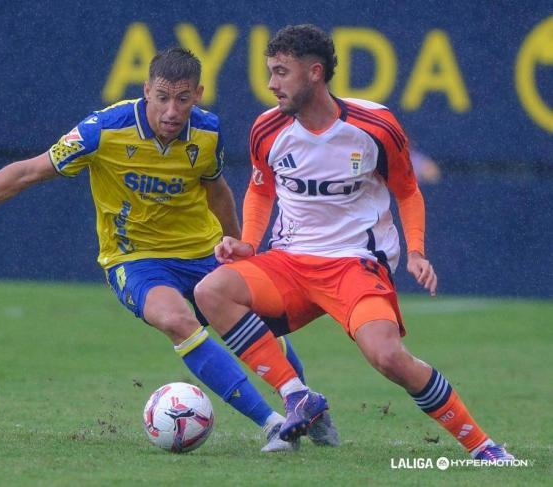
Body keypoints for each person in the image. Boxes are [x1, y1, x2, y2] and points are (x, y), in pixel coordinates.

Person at [0, 47, 338, 452]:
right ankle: (273, 425)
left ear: (198, 95)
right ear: (145, 90)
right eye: (162, 97)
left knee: (258, 325)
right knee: (175, 319)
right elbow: (26, 172)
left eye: (183, 99)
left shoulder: (207, 132)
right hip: (135, 258)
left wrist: (241, 246)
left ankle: (304, 404)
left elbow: (217, 188)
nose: (171, 110)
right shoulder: (102, 130)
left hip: (202, 251)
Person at [194, 25, 514, 461]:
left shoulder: (375, 125)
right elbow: (261, 188)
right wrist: (249, 243)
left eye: (281, 72)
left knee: (388, 357)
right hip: (288, 263)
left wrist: (416, 251)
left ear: (315, 73)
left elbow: (407, 190)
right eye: (270, 71)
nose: (271, 84)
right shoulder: (266, 128)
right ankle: (297, 395)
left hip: (355, 265)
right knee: (211, 291)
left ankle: (484, 448)